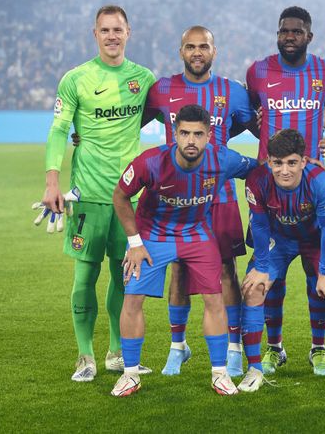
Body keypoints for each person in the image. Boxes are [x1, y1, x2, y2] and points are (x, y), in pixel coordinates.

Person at [110, 104, 257, 397]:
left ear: (209, 136)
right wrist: (135, 243)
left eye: (198, 134)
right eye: (185, 133)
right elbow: (120, 196)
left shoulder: (223, 159)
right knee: (133, 299)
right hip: (152, 235)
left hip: (196, 234)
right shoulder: (150, 162)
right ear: (175, 134)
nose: (191, 140)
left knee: (214, 299)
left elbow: (261, 168)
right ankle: (130, 375)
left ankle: (220, 374)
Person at [41, 5, 155, 382]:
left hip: (129, 198)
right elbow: (59, 130)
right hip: (88, 195)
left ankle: (116, 353)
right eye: (105, 30)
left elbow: (169, 115)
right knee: (85, 276)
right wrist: (52, 182)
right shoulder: (76, 79)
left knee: (125, 278)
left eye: (117, 29)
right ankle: (85, 355)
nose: (111, 36)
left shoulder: (144, 78)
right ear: (95, 34)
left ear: (128, 32)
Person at [143, 25, 255, 377]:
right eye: (190, 47)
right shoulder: (162, 90)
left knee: (225, 270)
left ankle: (234, 348)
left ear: (213, 51)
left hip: (220, 196)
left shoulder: (233, 92)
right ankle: (178, 347)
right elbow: (132, 122)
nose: (197, 52)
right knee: (178, 269)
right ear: (181, 52)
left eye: (203, 46)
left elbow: (260, 129)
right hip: (176, 199)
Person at [245, 6, 325, 375]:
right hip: (272, 192)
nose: (289, 36)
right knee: (271, 279)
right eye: (284, 30)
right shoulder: (258, 72)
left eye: (297, 31)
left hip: (310, 189)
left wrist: (320, 136)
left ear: (309, 36)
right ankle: (275, 348)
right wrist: (270, 147)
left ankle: (319, 348)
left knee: (320, 281)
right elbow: (250, 115)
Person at [238, 129, 325, 391]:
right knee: (254, 288)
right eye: (277, 163)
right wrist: (262, 268)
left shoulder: (320, 181)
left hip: (314, 238)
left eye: (292, 163)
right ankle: (259, 364)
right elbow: (259, 224)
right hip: (278, 238)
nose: (284, 171)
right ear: (269, 161)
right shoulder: (257, 180)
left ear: (304, 161)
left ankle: (322, 353)